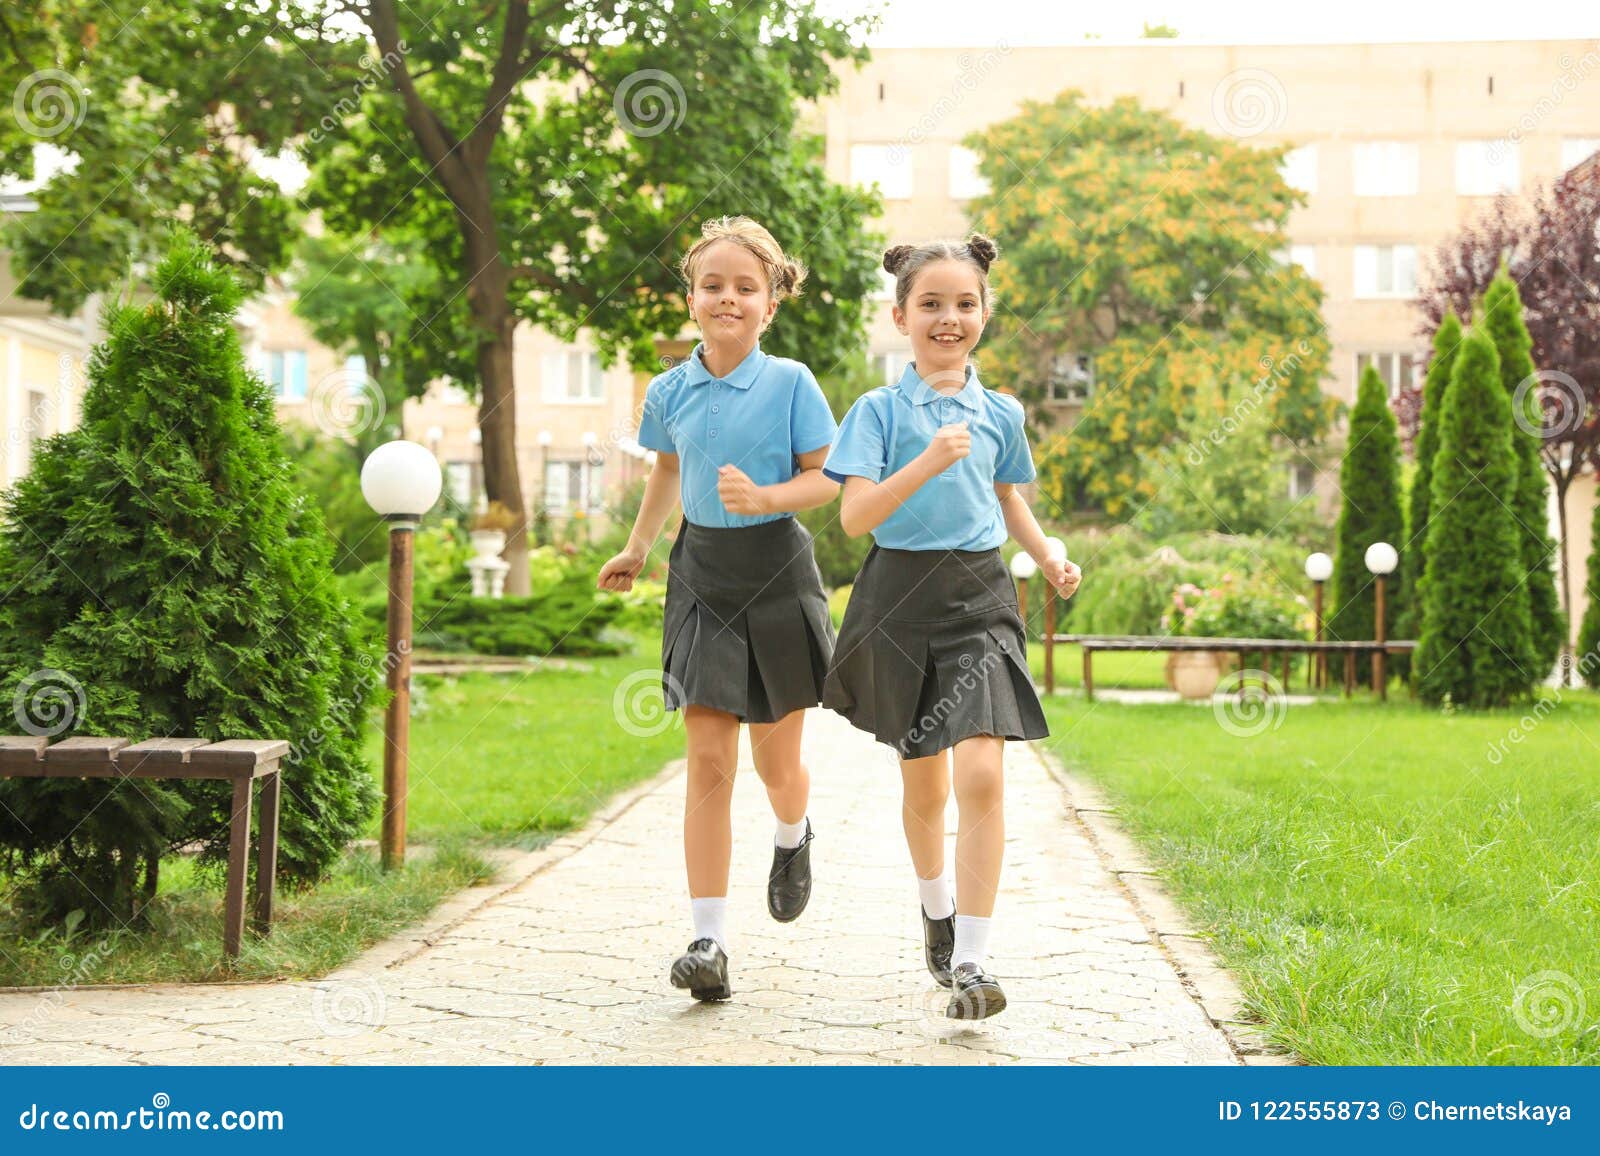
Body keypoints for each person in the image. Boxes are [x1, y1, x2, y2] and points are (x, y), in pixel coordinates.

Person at [821, 234, 1082, 1020]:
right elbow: (855, 515)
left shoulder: (1001, 411)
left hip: (979, 597)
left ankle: (971, 960)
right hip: (898, 599)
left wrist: (1049, 555)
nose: (948, 318)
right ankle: (935, 910)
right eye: (931, 304)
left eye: (964, 303)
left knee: (982, 772)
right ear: (901, 315)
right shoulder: (876, 411)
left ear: (985, 314)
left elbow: (1007, 498)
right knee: (925, 782)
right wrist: (928, 460)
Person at [597, 216, 839, 1003]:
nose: (727, 298)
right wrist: (638, 546)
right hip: (700, 572)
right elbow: (669, 471)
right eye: (713, 285)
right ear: (691, 298)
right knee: (707, 759)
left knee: (776, 765)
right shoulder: (667, 389)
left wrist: (767, 496)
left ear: (770, 303)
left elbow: (826, 479)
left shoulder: (793, 382)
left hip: (777, 570)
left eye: (745, 287)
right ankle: (708, 942)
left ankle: (794, 832)